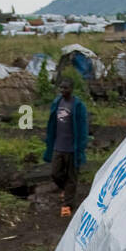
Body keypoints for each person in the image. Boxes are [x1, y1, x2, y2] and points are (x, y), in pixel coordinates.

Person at [43, 77, 89, 218]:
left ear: (71, 89)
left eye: (66, 88)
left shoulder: (78, 105)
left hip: (72, 148)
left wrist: (81, 146)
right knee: (55, 173)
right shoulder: (57, 102)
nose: (63, 91)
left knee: (71, 177)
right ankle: (67, 190)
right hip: (58, 145)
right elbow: (52, 123)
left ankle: (68, 205)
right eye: (61, 88)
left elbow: (83, 127)